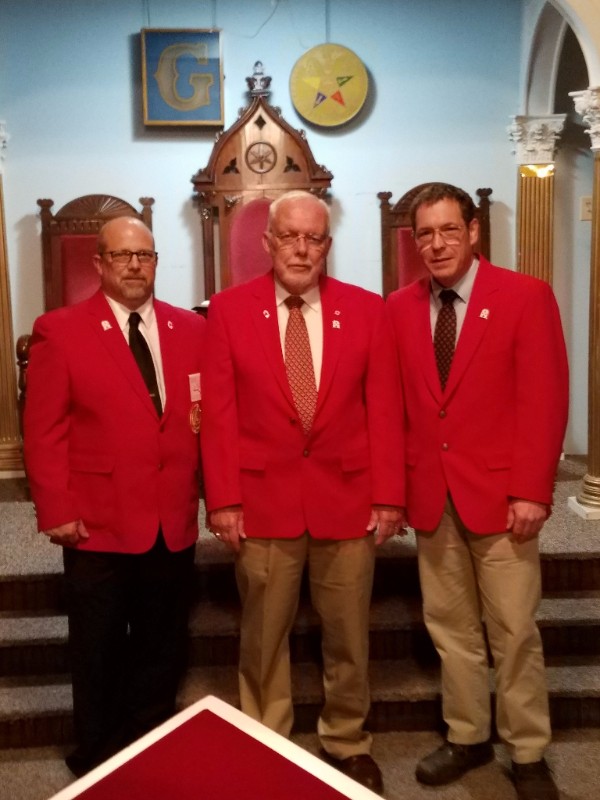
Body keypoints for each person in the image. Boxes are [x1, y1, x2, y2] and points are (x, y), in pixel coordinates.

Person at [200, 190, 405, 795]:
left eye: (313, 238)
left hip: (348, 499)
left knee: (349, 636)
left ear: (327, 245)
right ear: (267, 242)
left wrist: (389, 497)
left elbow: (384, 410)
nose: (300, 248)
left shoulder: (367, 310)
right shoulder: (229, 311)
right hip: (262, 502)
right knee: (263, 635)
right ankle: (268, 740)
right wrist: (223, 500)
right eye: (289, 236)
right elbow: (219, 414)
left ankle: (347, 739)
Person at [386, 183, 568, 800]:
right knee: (450, 627)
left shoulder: (524, 297)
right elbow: (397, 409)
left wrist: (532, 491)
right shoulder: (399, 308)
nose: (436, 244)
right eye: (425, 234)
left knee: (514, 630)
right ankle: (467, 735)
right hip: (432, 496)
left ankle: (528, 751)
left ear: (472, 231)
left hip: (504, 499)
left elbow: (544, 400)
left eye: (448, 230)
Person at [24, 216, 206, 776]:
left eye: (144, 255)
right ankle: (99, 758)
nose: (134, 265)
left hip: (170, 517)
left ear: (156, 263)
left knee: (162, 644)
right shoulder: (60, 330)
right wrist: (56, 509)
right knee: (97, 647)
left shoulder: (190, 328)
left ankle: (151, 744)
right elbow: (44, 430)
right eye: (122, 255)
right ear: (99, 263)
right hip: (96, 521)